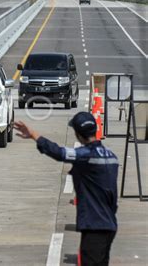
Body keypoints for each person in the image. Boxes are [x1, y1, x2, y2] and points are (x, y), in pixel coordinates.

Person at [14, 112, 118, 266]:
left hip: (95, 224)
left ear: (78, 134)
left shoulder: (85, 155)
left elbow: (58, 152)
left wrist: (34, 135)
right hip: (109, 223)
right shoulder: (111, 157)